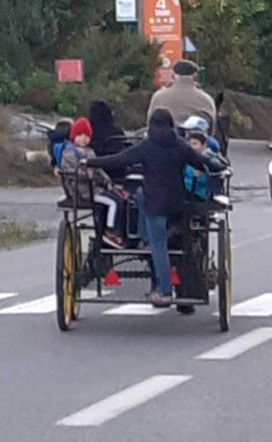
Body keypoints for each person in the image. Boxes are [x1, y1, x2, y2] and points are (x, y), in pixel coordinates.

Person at [86, 108, 222, 308]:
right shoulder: (180, 145)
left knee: (157, 242)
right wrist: (221, 167)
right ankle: (171, 282)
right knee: (166, 240)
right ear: (170, 125)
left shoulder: (146, 146)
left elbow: (119, 159)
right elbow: (202, 163)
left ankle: (163, 288)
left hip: (154, 204)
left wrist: (89, 161)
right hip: (177, 203)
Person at [56, 117, 127, 249]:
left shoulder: (90, 152)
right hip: (83, 190)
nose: (84, 138)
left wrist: (107, 182)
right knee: (113, 203)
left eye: (86, 136)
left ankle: (114, 229)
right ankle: (109, 231)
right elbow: (73, 172)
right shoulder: (70, 153)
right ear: (74, 136)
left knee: (119, 199)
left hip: (94, 188)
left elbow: (99, 170)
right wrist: (88, 175)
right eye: (80, 135)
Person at [147, 60, 217, 134]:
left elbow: (150, 123)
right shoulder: (206, 99)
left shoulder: (158, 97)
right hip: (195, 140)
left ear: (173, 76)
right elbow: (211, 128)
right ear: (195, 76)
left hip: (164, 140)